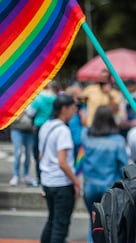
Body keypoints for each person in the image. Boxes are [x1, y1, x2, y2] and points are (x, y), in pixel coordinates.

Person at [81, 105, 129, 243]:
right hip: (109, 187)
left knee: (93, 222)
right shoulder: (118, 141)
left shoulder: (87, 137)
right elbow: (123, 167)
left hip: (90, 186)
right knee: (110, 224)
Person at [39, 94, 80, 243]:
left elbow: (40, 155)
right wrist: (76, 182)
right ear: (64, 109)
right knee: (60, 226)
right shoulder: (63, 130)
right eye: (73, 108)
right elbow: (62, 162)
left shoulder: (45, 126)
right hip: (61, 184)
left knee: (52, 220)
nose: (74, 112)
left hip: (48, 181)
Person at [26, 80, 58, 186]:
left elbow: (30, 113)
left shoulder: (38, 98)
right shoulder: (55, 98)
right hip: (53, 127)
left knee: (37, 153)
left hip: (39, 127)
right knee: (51, 153)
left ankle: (40, 178)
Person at [8, 111, 36, 186]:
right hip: (16, 129)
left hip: (29, 131)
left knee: (28, 154)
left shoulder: (32, 102)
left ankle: (26, 175)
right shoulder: (15, 102)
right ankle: (16, 175)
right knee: (18, 152)